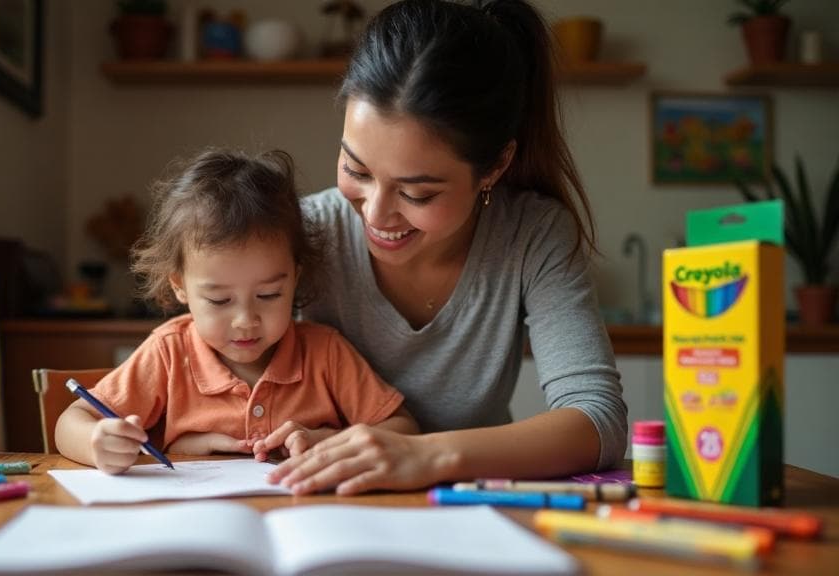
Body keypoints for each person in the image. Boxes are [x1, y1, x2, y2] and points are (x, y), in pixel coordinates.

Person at [267, 0, 627, 495]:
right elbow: (193, 361)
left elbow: (597, 419)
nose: (375, 214)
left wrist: (424, 455)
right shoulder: (305, 231)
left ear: (495, 167)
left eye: (418, 193)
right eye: (356, 170)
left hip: (469, 508)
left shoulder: (532, 234)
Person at [55, 148, 418, 474]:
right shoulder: (169, 352)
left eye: (270, 294)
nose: (246, 321)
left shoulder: (325, 353)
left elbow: (403, 430)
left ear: (295, 278)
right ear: (179, 285)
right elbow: (72, 421)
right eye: (219, 300)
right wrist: (97, 441)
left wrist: (326, 441)